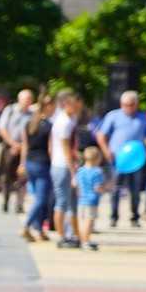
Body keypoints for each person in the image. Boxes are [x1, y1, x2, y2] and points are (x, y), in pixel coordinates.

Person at [95, 91, 146, 228]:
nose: (128, 107)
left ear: (136, 104)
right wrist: (106, 151)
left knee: (135, 190)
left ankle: (134, 217)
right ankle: (114, 217)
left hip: (136, 161)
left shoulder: (143, 118)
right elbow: (101, 135)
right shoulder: (113, 116)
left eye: (131, 105)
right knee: (115, 189)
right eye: (125, 105)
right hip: (117, 160)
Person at [19, 94, 56, 243]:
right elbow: (50, 149)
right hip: (43, 164)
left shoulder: (29, 123)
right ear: (47, 107)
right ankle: (27, 225)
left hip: (30, 163)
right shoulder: (48, 126)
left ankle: (39, 230)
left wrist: (22, 164)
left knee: (37, 198)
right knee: (41, 199)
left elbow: (25, 146)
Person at [51, 90, 83, 246]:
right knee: (62, 202)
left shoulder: (70, 119)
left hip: (61, 164)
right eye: (77, 104)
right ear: (69, 104)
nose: (79, 107)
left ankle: (72, 234)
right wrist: (73, 173)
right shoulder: (64, 122)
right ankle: (62, 236)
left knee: (71, 203)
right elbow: (66, 150)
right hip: (63, 166)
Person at [0, 90, 33, 214]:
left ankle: (19, 204)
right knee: (6, 176)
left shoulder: (32, 114)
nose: (28, 102)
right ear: (19, 100)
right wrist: (13, 143)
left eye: (29, 100)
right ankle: (6, 200)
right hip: (10, 147)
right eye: (25, 100)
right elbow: (1, 127)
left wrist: (24, 146)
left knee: (22, 177)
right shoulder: (10, 110)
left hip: (25, 148)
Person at [74, 146, 107, 251]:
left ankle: (82, 239)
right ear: (98, 159)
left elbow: (76, 184)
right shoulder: (97, 172)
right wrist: (105, 189)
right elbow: (97, 187)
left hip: (81, 200)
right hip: (92, 200)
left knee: (81, 220)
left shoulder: (80, 170)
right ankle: (86, 241)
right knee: (89, 221)